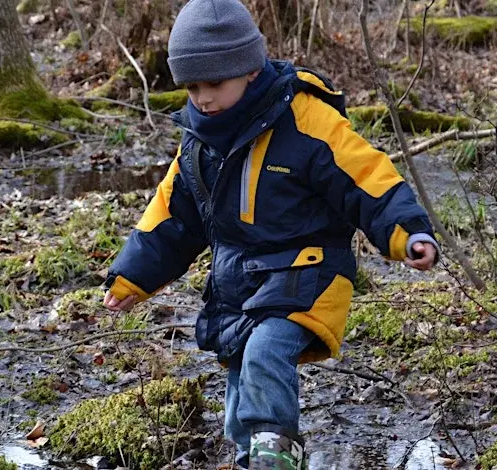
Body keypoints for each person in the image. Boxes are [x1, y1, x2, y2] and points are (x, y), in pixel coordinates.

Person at [102, 0, 439, 467]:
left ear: (250, 70)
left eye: (214, 84)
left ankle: (275, 456)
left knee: (263, 352)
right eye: (192, 87)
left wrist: (408, 233)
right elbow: (172, 217)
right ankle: (251, 455)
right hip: (239, 282)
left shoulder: (306, 120)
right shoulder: (199, 142)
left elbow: (366, 178)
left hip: (308, 272)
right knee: (241, 378)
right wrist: (130, 278)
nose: (203, 98)